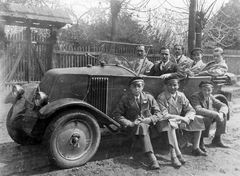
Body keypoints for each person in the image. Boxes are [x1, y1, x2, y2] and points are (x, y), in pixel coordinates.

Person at [112, 77, 186, 169]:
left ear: (143, 87)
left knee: (165, 122)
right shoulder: (125, 99)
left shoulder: (149, 97)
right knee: (142, 126)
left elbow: (158, 113)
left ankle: (173, 155)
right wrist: (131, 123)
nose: (136, 88)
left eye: (139, 86)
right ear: (130, 87)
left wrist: (150, 119)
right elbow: (116, 114)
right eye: (134, 86)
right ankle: (153, 159)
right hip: (135, 129)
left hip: (150, 126)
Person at [156, 75, 207, 159]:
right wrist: (181, 118)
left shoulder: (181, 95)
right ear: (166, 86)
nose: (173, 87)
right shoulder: (162, 97)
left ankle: (196, 148)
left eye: (175, 85)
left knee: (198, 118)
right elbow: (164, 115)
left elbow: (190, 110)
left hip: (180, 119)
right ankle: (177, 152)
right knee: (171, 124)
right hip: (167, 121)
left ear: (178, 85)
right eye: (170, 85)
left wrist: (187, 118)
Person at [190, 81, 229, 150]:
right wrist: (215, 114)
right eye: (204, 90)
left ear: (212, 90)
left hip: (207, 115)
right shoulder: (195, 96)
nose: (207, 92)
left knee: (223, 116)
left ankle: (217, 139)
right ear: (200, 89)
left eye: (209, 90)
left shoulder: (210, 97)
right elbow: (197, 109)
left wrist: (221, 113)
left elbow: (223, 105)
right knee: (206, 119)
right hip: (195, 118)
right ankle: (200, 141)